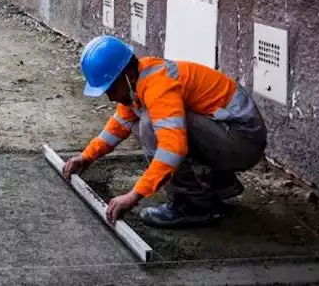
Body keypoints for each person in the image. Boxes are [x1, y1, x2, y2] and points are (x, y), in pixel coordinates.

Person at [62, 35, 267, 228]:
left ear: (126, 75)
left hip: (243, 142)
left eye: (111, 90)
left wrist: (134, 195)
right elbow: (119, 125)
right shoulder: (139, 81)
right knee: (143, 121)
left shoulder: (158, 86)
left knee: (150, 125)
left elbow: (172, 148)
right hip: (230, 135)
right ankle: (217, 184)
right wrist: (86, 157)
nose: (111, 98)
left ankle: (191, 206)